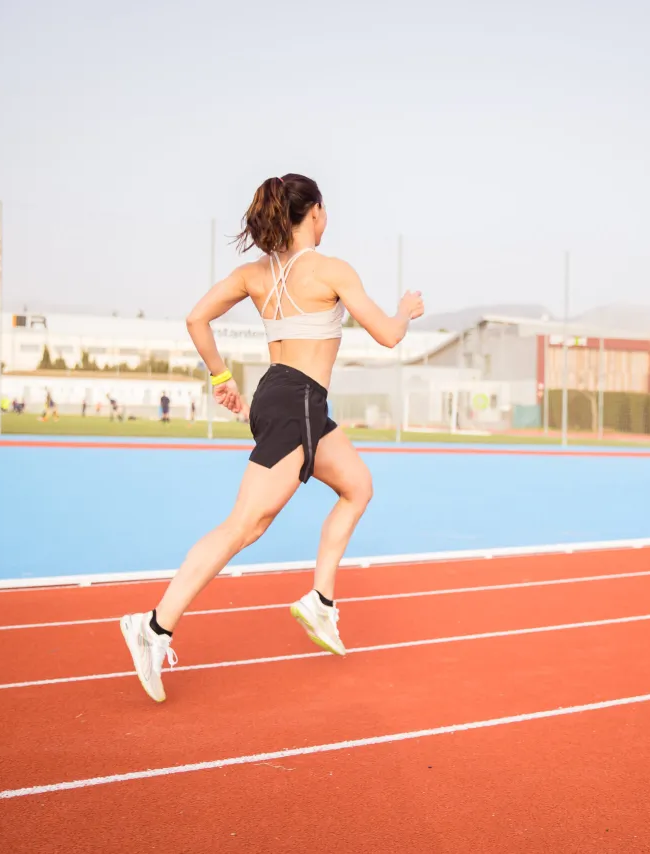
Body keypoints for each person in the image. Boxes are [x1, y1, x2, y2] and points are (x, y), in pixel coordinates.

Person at [120, 173, 424, 703]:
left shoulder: (255, 274)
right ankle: (152, 627)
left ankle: (320, 602)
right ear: (316, 213)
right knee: (245, 525)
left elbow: (197, 319)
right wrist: (406, 310)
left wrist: (220, 378)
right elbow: (390, 334)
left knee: (357, 485)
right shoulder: (330, 269)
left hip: (282, 398)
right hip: (298, 403)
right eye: (326, 213)